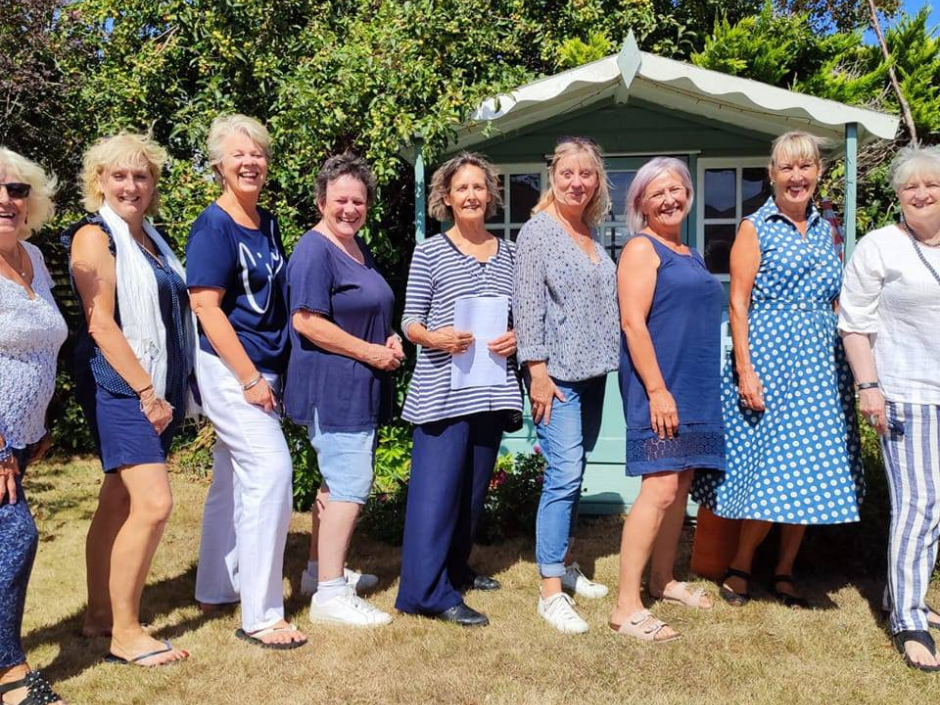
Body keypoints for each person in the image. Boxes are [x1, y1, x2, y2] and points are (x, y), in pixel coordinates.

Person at [692, 131, 864, 609]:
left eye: (805, 167)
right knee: (768, 466)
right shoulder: (756, 227)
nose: (796, 176)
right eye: (786, 168)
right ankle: (741, 563)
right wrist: (745, 370)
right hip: (769, 359)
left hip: (821, 365)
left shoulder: (828, 229)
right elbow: (738, 302)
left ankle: (785, 569)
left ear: (818, 173)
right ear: (771, 175)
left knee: (811, 465)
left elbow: (838, 298)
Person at [64, 133, 195, 667]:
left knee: (118, 499)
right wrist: (146, 390)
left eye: (141, 176)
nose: (131, 185)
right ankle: (126, 631)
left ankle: (99, 614)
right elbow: (99, 322)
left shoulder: (151, 239)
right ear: (99, 181)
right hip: (120, 386)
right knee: (155, 503)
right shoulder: (94, 237)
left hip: (152, 382)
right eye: (119, 175)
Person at [187, 115, 306, 649]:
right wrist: (250, 378)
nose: (250, 162)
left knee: (232, 479)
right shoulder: (213, 226)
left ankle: (215, 586)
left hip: (265, 366)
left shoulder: (269, 223)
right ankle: (261, 614)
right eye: (238, 154)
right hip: (232, 367)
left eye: (257, 153)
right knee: (272, 471)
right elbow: (205, 308)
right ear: (218, 165)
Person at [395, 153, 521, 627]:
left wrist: (517, 338)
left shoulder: (510, 253)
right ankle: (425, 593)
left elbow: (520, 320)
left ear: (490, 195)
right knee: (437, 494)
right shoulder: (429, 251)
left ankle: (454, 569)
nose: (470, 195)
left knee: (470, 494)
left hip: (491, 390)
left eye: (478, 187)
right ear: (445, 198)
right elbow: (410, 321)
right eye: (461, 188)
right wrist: (434, 336)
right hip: (443, 392)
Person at [609, 158, 724, 643]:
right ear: (640, 204)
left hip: (696, 384)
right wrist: (657, 390)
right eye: (657, 193)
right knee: (658, 489)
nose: (669, 199)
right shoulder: (641, 248)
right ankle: (625, 605)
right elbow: (633, 323)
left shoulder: (692, 254)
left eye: (676, 189)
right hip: (661, 385)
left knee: (679, 487)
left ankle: (663, 580)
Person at [285, 153, 400, 627]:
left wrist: (388, 339)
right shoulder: (315, 250)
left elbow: (366, 309)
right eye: (340, 200)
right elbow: (307, 321)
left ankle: (318, 572)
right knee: (351, 485)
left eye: (358, 201)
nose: (349, 208)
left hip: (357, 385)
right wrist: (373, 354)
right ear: (320, 201)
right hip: (332, 388)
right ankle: (331, 596)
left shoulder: (354, 247)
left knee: (336, 483)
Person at [839, 145, 940, 672]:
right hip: (908, 392)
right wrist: (869, 386)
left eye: (932, 185)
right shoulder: (880, 247)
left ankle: (905, 592)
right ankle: (907, 617)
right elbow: (855, 322)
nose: (921, 194)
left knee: (938, 509)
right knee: (919, 505)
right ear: (897, 195)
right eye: (910, 187)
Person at [514, 137, 619, 633]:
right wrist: (536, 371)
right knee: (562, 475)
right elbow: (527, 305)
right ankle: (550, 591)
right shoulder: (538, 232)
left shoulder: (591, 233)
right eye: (568, 173)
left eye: (587, 174)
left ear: (597, 181)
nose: (577, 182)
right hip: (555, 378)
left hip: (594, 374)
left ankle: (567, 563)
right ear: (552, 177)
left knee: (575, 472)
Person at [0, 148, 67, 703]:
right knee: (16, 536)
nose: (6, 200)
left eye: (17, 190)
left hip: (21, 437)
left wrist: (36, 427)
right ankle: (11, 675)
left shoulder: (34, 258)